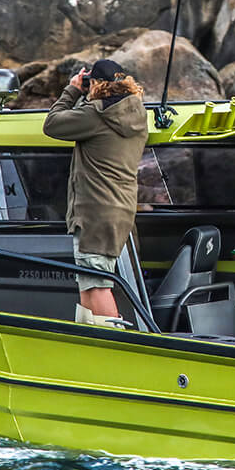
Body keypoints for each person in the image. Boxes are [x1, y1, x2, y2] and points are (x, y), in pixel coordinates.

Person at [42, 59, 148, 326]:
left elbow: (52, 124)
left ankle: (117, 348)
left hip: (95, 214)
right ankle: (90, 341)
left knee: (99, 285)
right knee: (89, 283)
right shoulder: (136, 113)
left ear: (96, 84)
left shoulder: (97, 115)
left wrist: (72, 90)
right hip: (119, 210)